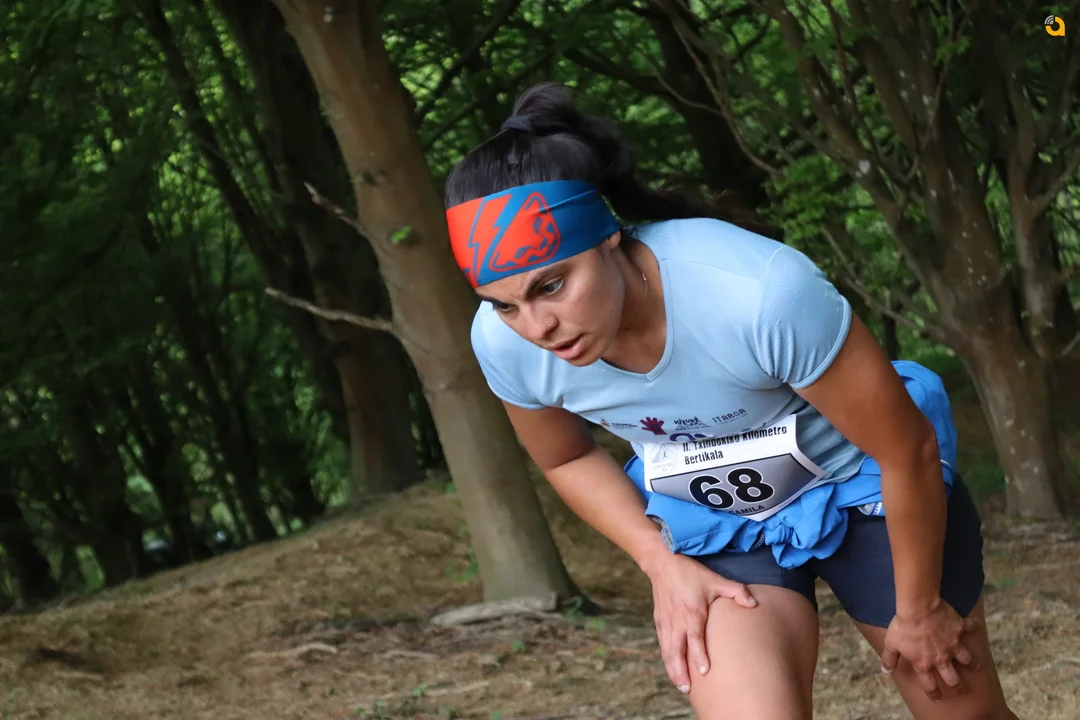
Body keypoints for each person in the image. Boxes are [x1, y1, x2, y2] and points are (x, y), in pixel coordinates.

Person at [442, 82, 1018, 720]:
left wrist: (921, 610)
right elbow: (566, 458)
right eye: (504, 304)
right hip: (717, 515)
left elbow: (904, 448)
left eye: (552, 285)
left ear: (607, 235)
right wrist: (660, 563)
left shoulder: (757, 292)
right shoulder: (506, 344)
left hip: (863, 482)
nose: (537, 327)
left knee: (962, 712)